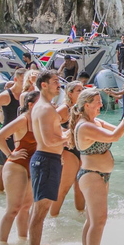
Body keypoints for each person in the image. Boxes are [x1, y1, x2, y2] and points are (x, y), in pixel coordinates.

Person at [69, 88, 124, 245]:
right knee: (99, 221)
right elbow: (114, 136)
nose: (102, 104)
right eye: (98, 102)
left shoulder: (96, 121)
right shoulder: (85, 126)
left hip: (100, 176)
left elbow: (118, 131)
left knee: (92, 220)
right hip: (91, 175)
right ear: (87, 105)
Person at [0, 90, 41, 243]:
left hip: (32, 166)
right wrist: (10, 154)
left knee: (26, 207)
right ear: (31, 104)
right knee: (13, 209)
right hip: (16, 165)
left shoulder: (40, 120)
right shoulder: (23, 119)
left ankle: (22, 241)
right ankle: (2, 244)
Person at [29, 70, 67, 245]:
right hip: (46, 160)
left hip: (48, 159)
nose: (58, 84)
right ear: (44, 85)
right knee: (40, 211)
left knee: (39, 210)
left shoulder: (46, 106)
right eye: (54, 81)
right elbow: (48, 140)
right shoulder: (44, 108)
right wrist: (69, 137)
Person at [0, 68, 26, 192]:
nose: (25, 84)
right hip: (7, 136)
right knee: (3, 167)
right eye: (22, 81)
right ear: (15, 80)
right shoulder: (6, 95)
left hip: (21, 135)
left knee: (21, 167)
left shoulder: (27, 95)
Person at [51, 81, 86, 217]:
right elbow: (48, 124)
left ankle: (80, 217)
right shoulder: (64, 109)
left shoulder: (82, 109)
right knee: (63, 187)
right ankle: (53, 218)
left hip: (82, 150)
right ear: (70, 94)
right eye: (79, 90)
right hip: (68, 150)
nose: (82, 92)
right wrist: (64, 133)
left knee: (80, 187)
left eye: (83, 89)